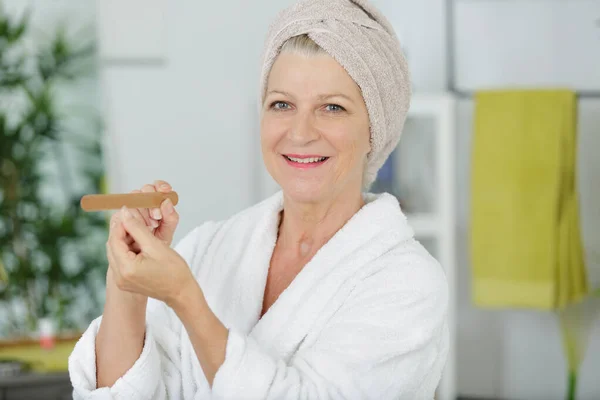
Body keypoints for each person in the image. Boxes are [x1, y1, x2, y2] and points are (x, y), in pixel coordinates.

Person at [68, 0, 449, 399]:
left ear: (375, 128)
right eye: (282, 104)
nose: (300, 133)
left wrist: (186, 299)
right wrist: (128, 285)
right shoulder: (211, 247)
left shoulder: (408, 283)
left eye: (332, 108)